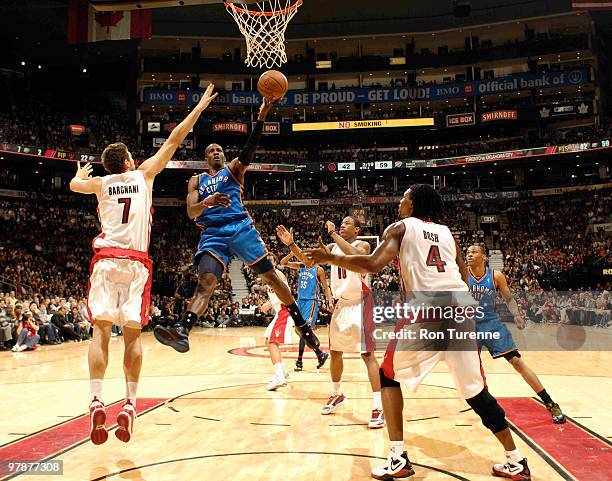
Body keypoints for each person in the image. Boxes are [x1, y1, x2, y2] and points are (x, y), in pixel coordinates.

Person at [304, 184, 532, 481]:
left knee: (388, 375)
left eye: (404, 197)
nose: (400, 201)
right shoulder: (447, 233)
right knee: (476, 391)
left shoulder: (400, 227)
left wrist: (331, 258)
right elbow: (463, 275)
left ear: (413, 204)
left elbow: (372, 264)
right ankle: (515, 460)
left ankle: (397, 457)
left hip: (428, 309)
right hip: (461, 308)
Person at [69, 83, 218, 446]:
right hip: (136, 265)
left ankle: (95, 399)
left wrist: (80, 176)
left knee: (100, 332)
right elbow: (174, 139)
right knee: (133, 335)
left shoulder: (101, 185)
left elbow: (75, 185)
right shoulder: (143, 175)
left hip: (105, 262)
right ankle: (131, 404)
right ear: (128, 162)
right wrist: (198, 108)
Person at [153, 98, 328, 369]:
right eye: (211, 150)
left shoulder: (233, 169)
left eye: (219, 150)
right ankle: (183, 331)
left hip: (240, 229)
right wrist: (207, 203)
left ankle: (305, 330)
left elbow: (250, 149)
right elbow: (190, 212)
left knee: (272, 278)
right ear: (205, 157)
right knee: (206, 283)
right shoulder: (196, 181)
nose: (216, 153)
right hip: (213, 234)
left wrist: (261, 117)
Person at [285, 217, 385, 429]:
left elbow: (354, 255)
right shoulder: (332, 247)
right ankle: (337, 393)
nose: (343, 224)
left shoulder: (363, 245)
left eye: (348, 223)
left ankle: (378, 405)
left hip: (361, 303)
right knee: (336, 353)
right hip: (342, 306)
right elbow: (307, 261)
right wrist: (291, 245)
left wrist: (333, 235)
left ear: (357, 229)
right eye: (342, 223)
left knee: (367, 355)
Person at [466, 243, 566, 424]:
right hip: (469, 325)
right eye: (467, 252)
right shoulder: (461, 275)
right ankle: (488, 406)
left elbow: (509, 298)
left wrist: (517, 315)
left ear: (484, 257)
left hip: (491, 323)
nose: (469, 255)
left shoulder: (495, 276)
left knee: (517, 361)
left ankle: (550, 403)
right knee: (472, 369)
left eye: (474, 252)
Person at [277, 229, 333, 371]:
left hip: (311, 301)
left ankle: (299, 361)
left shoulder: (318, 269)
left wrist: (329, 299)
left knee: (304, 330)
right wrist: (291, 251)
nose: (303, 256)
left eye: (306, 255)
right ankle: (320, 354)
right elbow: (283, 262)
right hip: (300, 301)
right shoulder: (301, 266)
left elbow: (325, 287)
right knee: (299, 330)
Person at [261, 254, 293, 391]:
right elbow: (275, 295)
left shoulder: (278, 274)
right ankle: (283, 372)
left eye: (270, 260)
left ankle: (279, 377)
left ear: (274, 262)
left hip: (285, 310)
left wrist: (269, 305)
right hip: (280, 311)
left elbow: (286, 294)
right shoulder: (267, 276)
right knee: (267, 340)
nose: (267, 262)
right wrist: (268, 303)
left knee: (272, 342)